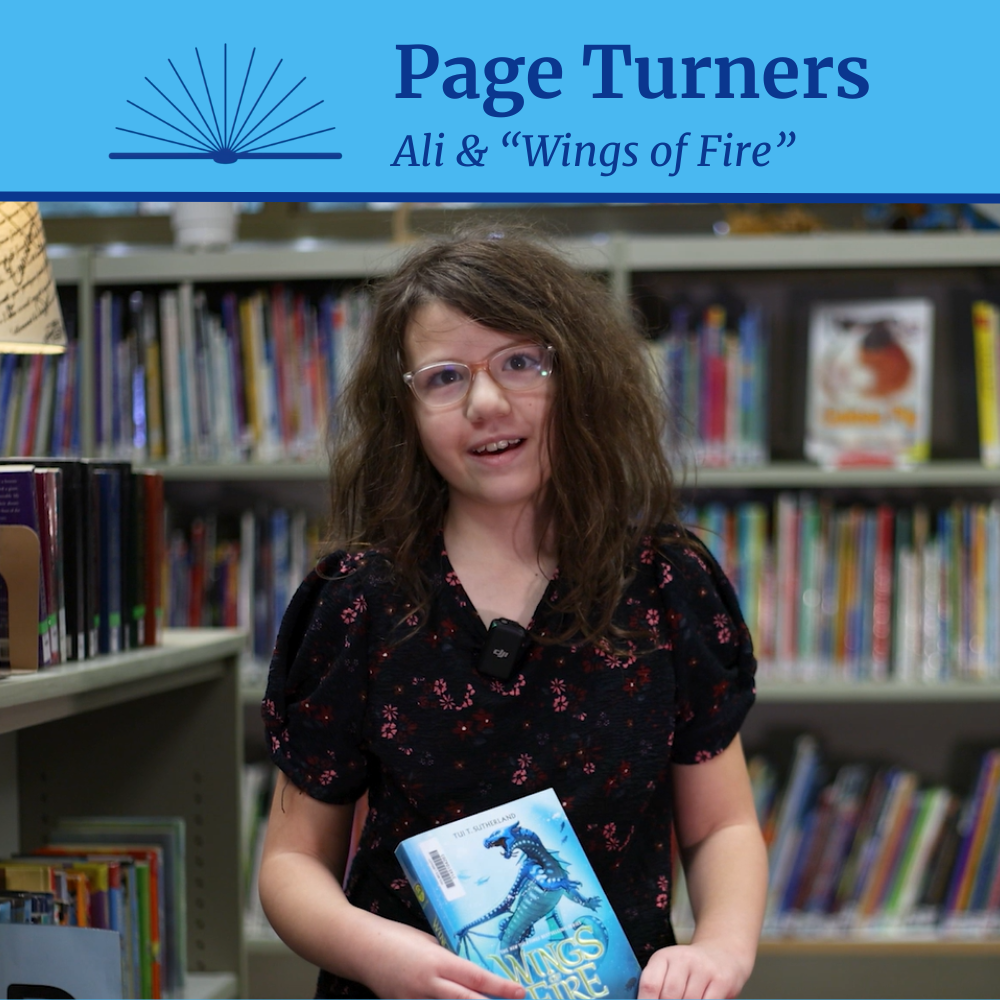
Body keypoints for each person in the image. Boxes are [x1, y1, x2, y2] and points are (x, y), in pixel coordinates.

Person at [259, 227, 768, 1000]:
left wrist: (722, 949)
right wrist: (377, 954)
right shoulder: (357, 598)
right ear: (405, 410)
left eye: (521, 363)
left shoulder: (666, 581)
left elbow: (721, 826)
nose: (487, 402)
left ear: (579, 376)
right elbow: (291, 862)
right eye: (444, 378)